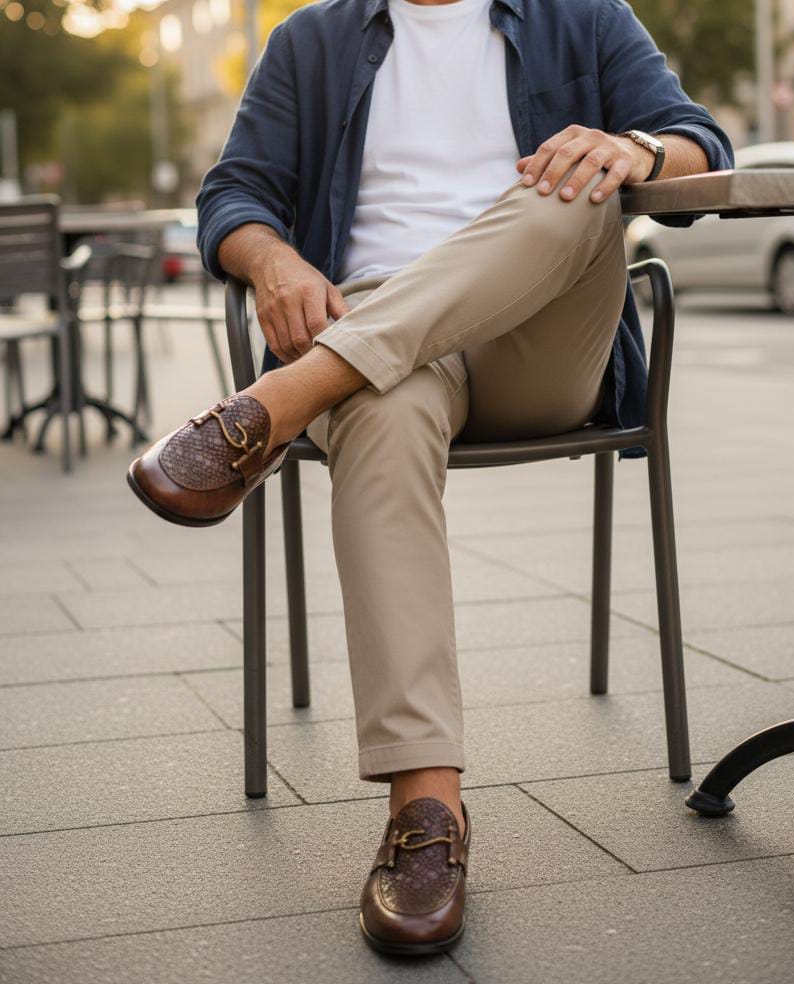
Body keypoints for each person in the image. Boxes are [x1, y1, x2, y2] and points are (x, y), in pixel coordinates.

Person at [128, 0, 733, 956]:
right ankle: (427, 814)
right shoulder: (310, 41)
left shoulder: (583, 16)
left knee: (569, 180)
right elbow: (231, 196)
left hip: (543, 344)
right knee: (379, 399)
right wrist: (272, 257)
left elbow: (702, 143)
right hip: (387, 343)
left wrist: (634, 152)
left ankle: (279, 405)